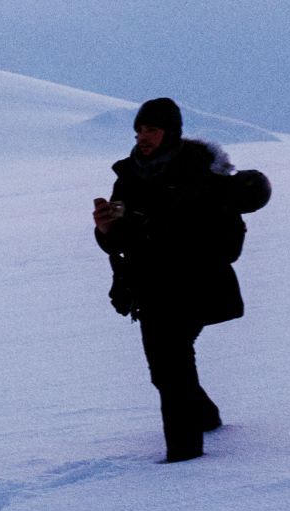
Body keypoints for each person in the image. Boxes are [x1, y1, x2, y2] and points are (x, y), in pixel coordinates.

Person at [92, 97, 247, 463]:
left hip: (195, 284)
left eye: (152, 130)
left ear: (171, 132)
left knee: (172, 364)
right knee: (164, 371)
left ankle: (184, 455)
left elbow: (228, 239)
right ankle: (206, 417)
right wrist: (105, 229)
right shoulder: (129, 176)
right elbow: (118, 240)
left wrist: (164, 234)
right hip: (149, 287)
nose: (143, 138)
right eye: (139, 130)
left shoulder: (201, 174)